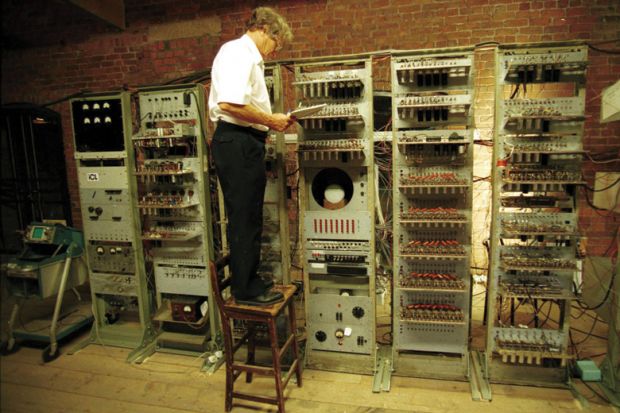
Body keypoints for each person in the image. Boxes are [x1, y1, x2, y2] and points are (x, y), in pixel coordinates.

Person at [208, 7, 294, 306]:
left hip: (245, 141)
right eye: (276, 44)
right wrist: (272, 121)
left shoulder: (247, 58)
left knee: (250, 216)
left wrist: (267, 124)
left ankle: (249, 280)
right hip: (237, 141)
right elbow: (230, 104)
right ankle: (244, 289)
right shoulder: (237, 53)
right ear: (267, 30)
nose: (274, 51)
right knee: (244, 218)